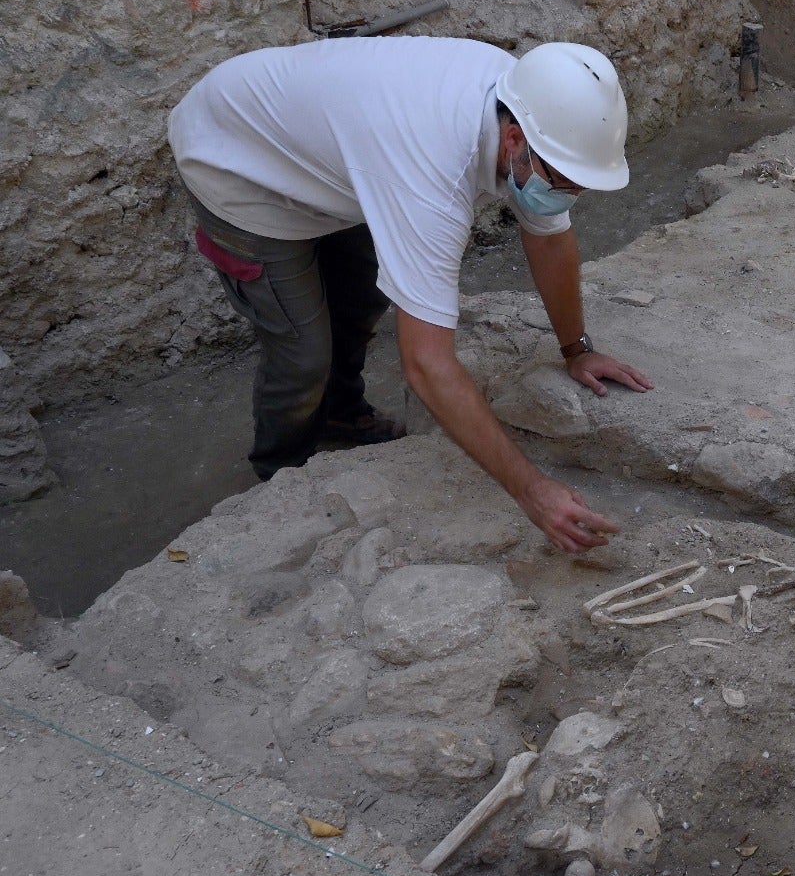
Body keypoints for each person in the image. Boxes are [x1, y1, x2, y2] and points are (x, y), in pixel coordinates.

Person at [168, 37, 652, 553]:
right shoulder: (433, 179)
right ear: (513, 140)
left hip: (335, 153)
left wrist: (577, 348)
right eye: (566, 183)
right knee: (303, 351)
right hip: (235, 159)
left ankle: (339, 412)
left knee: (361, 298)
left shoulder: (533, 107)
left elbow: (550, 236)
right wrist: (533, 491)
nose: (569, 195)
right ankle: (281, 477)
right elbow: (427, 366)